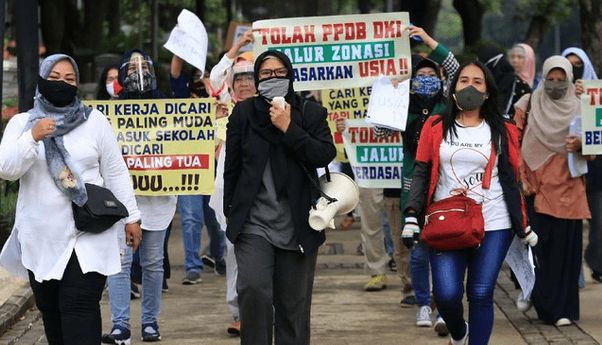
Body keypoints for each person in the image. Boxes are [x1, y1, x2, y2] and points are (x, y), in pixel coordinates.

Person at [0, 53, 141, 345]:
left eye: (70, 79)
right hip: (42, 239)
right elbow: (7, 170)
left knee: (79, 309)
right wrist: (32, 138)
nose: (62, 84)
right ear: (41, 80)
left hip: (89, 232)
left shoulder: (95, 121)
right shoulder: (22, 124)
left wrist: (133, 217)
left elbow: (115, 171)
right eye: (54, 78)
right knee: (51, 314)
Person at [402, 61, 538, 345]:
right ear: (453, 89)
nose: (470, 87)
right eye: (463, 80)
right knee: (448, 294)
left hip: (494, 220)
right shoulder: (436, 125)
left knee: (480, 292)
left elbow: (511, 178)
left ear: (487, 92)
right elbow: (422, 170)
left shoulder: (504, 129)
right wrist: (413, 213)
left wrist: (523, 225)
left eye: (478, 82)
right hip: (447, 220)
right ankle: (459, 332)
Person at [224, 50, 335, 344]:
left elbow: (324, 153)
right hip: (253, 224)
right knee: (253, 289)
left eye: (279, 72)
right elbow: (232, 167)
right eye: (265, 74)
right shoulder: (244, 114)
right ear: (257, 79)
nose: (273, 78)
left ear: (291, 75)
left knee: (292, 308)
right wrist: (230, 211)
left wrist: (289, 128)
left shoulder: (310, 113)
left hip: (299, 223)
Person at [373, 25, 459, 333]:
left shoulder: (449, 104)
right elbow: (380, 129)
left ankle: (444, 306)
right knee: (419, 249)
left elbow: (454, 67)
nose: (426, 81)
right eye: (420, 76)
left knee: (445, 248)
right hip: (413, 186)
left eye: (431, 76)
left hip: (446, 185)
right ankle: (423, 302)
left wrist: (429, 41)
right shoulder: (403, 105)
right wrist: (389, 92)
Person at [102, 49, 176, 343]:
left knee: (153, 262)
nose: (138, 71)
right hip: (121, 200)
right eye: (131, 67)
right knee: (119, 262)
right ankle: (121, 324)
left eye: (143, 65)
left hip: (158, 201)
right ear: (122, 74)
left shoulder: (169, 106)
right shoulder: (109, 113)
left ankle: (150, 322)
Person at [515, 55, 592, 326]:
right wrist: (520, 177)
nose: (556, 85)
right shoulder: (528, 104)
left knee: (566, 251)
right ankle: (538, 297)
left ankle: (563, 311)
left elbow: (594, 148)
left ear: (570, 80)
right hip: (534, 187)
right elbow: (514, 141)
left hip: (569, 186)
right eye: (551, 79)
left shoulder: (583, 107)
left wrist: (581, 146)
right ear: (544, 78)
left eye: (562, 80)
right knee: (540, 248)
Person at [169, 53, 227, 286]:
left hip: (214, 166)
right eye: (197, 77)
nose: (201, 81)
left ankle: (218, 255)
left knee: (216, 217)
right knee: (191, 218)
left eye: (206, 76)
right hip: (190, 166)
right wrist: (180, 50)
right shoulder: (184, 99)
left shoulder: (222, 98)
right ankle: (192, 266)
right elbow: (174, 73)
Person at [561, 47, 602, 284]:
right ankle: (574, 274)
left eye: (578, 64)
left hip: (595, 170)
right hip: (566, 170)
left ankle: (596, 263)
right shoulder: (553, 93)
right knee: (570, 226)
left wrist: (587, 99)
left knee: (598, 222)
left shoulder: (595, 92)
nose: (574, 68)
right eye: (569, 64)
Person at [479, 45, 531, 119]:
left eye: (519, 57)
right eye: (512, 57)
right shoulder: (489, 83)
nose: (515, 60)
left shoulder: (522, 86)